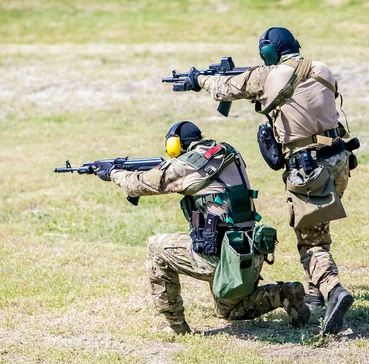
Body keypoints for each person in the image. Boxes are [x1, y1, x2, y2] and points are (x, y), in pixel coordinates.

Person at [182, 27, 355, 335]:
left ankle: (333, 290)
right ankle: (313, 292)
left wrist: (198, 79)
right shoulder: (323, 69)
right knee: (315, 228)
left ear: (268, 53)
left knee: (311, 241)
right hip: (339, 160)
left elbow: (224, 88)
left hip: (307, 168)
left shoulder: (266, 75)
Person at [92, 121, 309, 334]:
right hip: (250, 252)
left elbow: (137, 185)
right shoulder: (229, 152)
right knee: (231, 312)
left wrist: (113, 172)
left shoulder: (188, 164)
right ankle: (284, 293)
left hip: (220, 256)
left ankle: (175, 326)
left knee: (155, 247)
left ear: (175, 145)